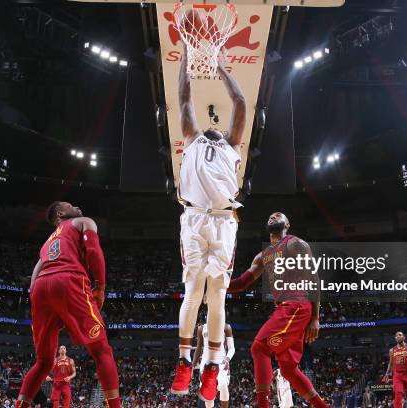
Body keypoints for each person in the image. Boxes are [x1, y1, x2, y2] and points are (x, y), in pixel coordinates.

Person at [171, 44, 247, 403]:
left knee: (215, 296)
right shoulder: (191, 136)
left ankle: (211, 366)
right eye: (210, 124)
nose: (215, 127)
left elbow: (242, 104)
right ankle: (186, 360)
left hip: (221, 222)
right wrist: (187, 56)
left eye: (218, 126)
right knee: (196, 293)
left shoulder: (233, 144)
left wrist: (222, 68)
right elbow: (183, 94)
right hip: (196, 218)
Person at [15, 201, 120, 408]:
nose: (78, 206)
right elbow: (94, 251)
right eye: (70, 205)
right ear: (61, 213)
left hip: (40, 289)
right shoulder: (83, 222)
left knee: (44, 362)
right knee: (101, 350)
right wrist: (100, 285)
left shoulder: (46, 244)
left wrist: (46, 303)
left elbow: (35, 276)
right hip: (68, 280)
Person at [227, 212, 328, 408]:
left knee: (259, 347)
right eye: (270, 216)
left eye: (278, 215)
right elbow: (241, 284)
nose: (273, 216)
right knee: (289, 369)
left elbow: (314, 279)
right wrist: (217, 283)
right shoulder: (263, 255)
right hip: (285, 308)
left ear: (287, 224)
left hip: (297, 303)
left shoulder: (295, 244)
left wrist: (316, 317)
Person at [192, 322, 235, 408]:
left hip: (222, 361)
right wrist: (192, 366)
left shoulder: (226, 327)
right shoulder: (201, 328)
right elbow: (198, 348)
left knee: (223, 386)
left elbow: (232, 348)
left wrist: (227, 359)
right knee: (208, 394)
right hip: (205, 362)